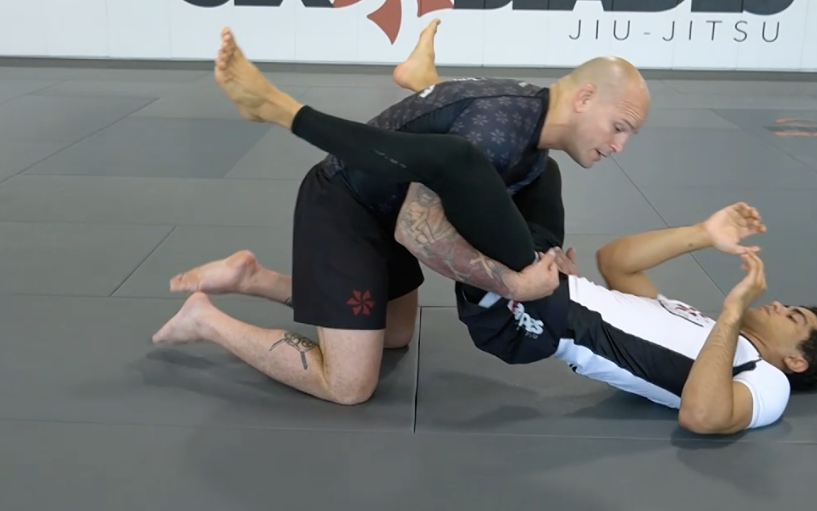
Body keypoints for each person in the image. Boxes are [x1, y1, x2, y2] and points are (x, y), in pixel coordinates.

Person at [151, 23, 651, 406]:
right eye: (618, 127)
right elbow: (418, 231)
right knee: (348, 385)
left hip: (387, 211)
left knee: (394, 336)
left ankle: (252, 277)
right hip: (346, 206)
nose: (620, 147)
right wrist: (514, 286)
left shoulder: (531, 127)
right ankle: (206, 319)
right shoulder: (499, 131)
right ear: (585, 98)